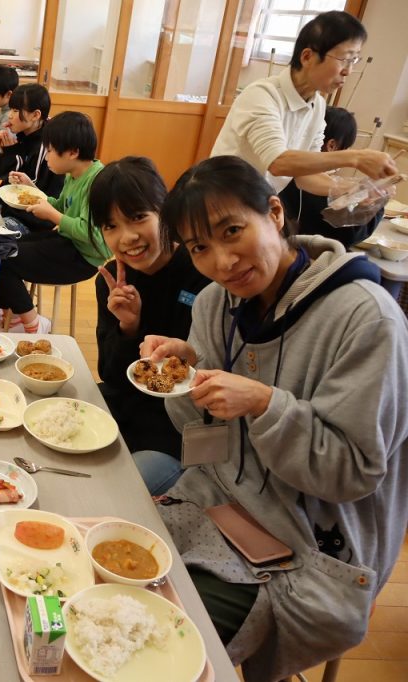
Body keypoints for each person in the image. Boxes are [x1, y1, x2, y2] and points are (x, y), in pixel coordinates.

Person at [138, 155, 408, 680]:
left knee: (154, 641)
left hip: (314, 542)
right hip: (219, 495)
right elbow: (202, 438)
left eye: (232, 231)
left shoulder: (367, 319)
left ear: (276, 213)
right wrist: (186, 376)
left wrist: (265, 404)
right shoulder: (214, 304)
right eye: (199, 248)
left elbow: (352, 473)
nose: (222, 262)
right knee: (111, 567)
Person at [91, 157, 210, 466]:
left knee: (130, 483)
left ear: (164, 211)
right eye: (111, 226)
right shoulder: (113, 282)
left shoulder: (203, 272)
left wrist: (189, 355)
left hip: (177, 428)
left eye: (138, 217)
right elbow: (111, 375)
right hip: (122, 410)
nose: (127, 237)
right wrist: (128, 327)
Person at [212, 10, 396, 195]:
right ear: (307, 57)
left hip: (256, 203)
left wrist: (359, 190)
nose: (348, 71)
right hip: (222, 198)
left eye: (354, 60)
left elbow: (306, 176)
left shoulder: (317, 106)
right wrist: (356, 157)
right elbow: (278, 162)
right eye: (345, 59)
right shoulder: (261, 95)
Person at [0, 111, 109, 333]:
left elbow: (90, 233)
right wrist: (32, 188)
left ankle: (33, 323)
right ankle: (17, 316)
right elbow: (60, 207)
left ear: (73, 152)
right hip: (66, 241)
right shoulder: (74, 173)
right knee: (0, 245)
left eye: (50, 151)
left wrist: (51, 215)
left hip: (82, 258)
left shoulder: (97, 181)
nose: (46, 157)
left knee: (4, 257)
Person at [279, 106, 383, 248]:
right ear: (331, 146)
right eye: (346, 148)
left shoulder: (289, 173)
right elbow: (347, 236)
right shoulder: (313, 187)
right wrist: (377, 203)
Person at [0, 84, 63, 233]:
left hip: (32, 221)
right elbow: (3, 173)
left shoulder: (46, 144)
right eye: (11, 109)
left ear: (35, 115)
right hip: (11, 209)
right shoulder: (24, 133)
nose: (10, 115)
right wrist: (3, 150)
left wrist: (11, 152)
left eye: (16, 110)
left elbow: (26, 189)